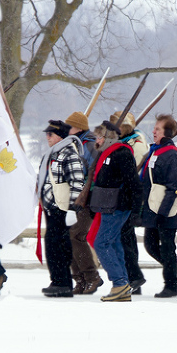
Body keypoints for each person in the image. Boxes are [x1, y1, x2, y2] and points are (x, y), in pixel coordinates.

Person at [89, 121, 143, 302]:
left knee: (102, 244)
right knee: (112, 243)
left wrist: (135, 209)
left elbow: (134, 183)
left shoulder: (121, 153)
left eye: (99, 136)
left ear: (108, 137)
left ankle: (119, 283)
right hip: (109, 205)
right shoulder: (107, 153)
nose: (96, 140)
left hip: (117, 206)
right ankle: (123, 284)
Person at [140, 115, 177, 297]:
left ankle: (171, 284)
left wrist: (163, 213)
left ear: (167, 133)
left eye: (158, 129)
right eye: (154, 128)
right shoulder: (156, 151)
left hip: (166, 210)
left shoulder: (172, 155)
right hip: (153, 208)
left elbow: (173, 187)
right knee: (151, 244)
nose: (153, 131)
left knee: (167, 247)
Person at [38, 120, 86, 297]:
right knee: (52, 245)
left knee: (59, 247)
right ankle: (58, 281)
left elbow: (77, 182)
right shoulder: (51, 154)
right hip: (51, 207)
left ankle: (62, 282)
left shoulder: (69, 154)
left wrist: (73, 209)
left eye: (50, 134)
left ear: (60, 136)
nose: (47, 138)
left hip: (62, 208)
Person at [65, 110, 103, 294]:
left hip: (87, 197)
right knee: (69, 236)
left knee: (76, 235)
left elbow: (92, 172)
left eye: (70, 126)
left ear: (78, 128)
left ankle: (91, 277)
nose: (67, 129)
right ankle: (80, 280)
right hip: (76, 197)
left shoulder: (88, 145)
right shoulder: (75, 143)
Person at [110, 111, 147, 294]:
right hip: (119, 197)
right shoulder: (122, 144)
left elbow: (136, 175)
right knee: (123, 239)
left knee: (126, 240)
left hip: (127, 198)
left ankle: (133, 277)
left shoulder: (136, 146)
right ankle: (131, 276)